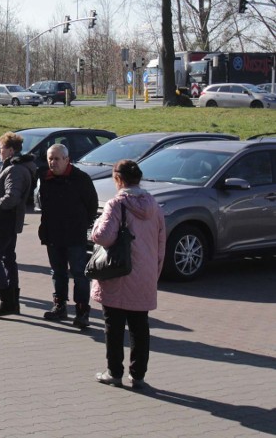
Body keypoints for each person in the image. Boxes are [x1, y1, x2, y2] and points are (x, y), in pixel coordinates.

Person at [92, 159, 165, 388]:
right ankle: (138, 375)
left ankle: (114, 372)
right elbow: (161, 242)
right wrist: (154, 272)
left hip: (118, 271)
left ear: (118, 179)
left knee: (113, 326)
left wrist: (95, 226)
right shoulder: (154, 205)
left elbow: (104, 237)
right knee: (140, 327)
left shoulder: (116, 204)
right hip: (144, 273)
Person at [38, 144, 98, 329]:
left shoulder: (80, 179)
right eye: (50, 159)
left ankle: (82, 312)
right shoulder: (45, 178)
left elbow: (92, 206)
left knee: (79, 274)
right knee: (57, 272)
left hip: (74, 235)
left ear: (66, 159)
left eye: (56, 159)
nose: (52, 162)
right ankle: (60, 306)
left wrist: (80, 224)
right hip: (53, 234)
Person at [0, 132, 36, 318]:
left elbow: (12, 197)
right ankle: (13, 301)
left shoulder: (15, 169)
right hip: (8, 220)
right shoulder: (14, 166)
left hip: (4, 220)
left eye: (2, 148)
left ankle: (7, 301)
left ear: (11, 150)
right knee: (7, 258)